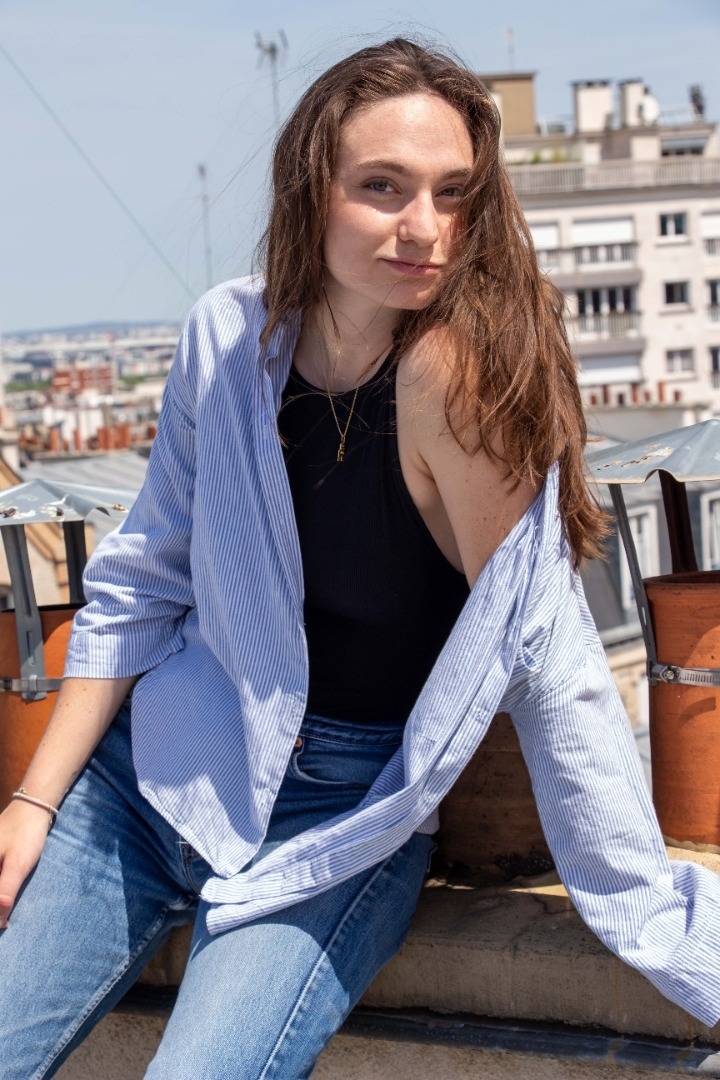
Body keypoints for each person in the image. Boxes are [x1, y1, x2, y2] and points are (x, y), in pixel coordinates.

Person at [1, 36, 720, 1080]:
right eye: (382, 186)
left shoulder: (453, 381)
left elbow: (550, 649)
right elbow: (143, 580)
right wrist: (33, 803)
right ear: (313, 190)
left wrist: (641, 902)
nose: (424, 227)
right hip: (153, 779)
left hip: (337, 820)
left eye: (453, 192)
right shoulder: (227, 339)